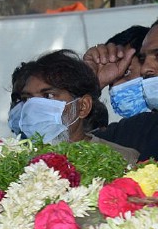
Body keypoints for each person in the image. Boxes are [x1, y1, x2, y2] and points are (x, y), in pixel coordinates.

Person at [9, 49, 137, 163]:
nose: (34, 107)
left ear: (83, 106)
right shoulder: (13, 162)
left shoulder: (121, 160)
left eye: (48, 96)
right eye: (27, 99)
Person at [88, 21, 158, 160]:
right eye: (143, 59)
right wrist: (89, 83)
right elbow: (65, 149)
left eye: (126, 72)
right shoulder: (137, 129)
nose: (145, 70)